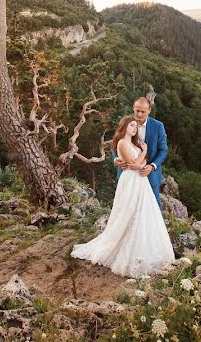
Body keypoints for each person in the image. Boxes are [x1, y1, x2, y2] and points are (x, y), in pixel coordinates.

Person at [70, 116, 174, 277]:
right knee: (128, 211)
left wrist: (141, 159)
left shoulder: (134, 143)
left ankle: (144, 248)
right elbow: (134, 164)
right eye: (131, 126)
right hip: (131, 180)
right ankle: (123, 247)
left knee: (144, 212)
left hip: (141, 181)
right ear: (124, 127)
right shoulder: (122, 143)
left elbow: (140, 162)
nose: (135, 128)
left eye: (135, 126)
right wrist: (144, 153)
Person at [114, 97, 168, 208]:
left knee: (154, 207)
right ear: (133, 108)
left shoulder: (158, 126)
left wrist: (152, 166)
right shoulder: (126, 122)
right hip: (128, 175)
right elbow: (116, 144)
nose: (139, 114)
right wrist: (116, 159)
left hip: (150, 174)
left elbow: (163, 150)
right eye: (137, 110)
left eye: (143, 111)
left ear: (149, 110)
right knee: (127, 207)